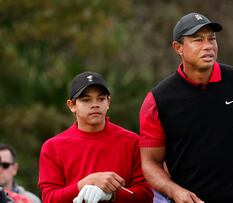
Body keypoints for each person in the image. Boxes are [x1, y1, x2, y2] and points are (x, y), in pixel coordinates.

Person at [139, 12, 233, 203]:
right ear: (178, 48)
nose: (207, 46)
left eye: (211, 39)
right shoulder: (158, 101)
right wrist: (175, 191)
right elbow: (150, 163)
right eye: (197, 40)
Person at [38, 71, 153, 203]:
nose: (95, 104)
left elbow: (146, 195)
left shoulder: (132, 141)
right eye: (86, 100)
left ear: (108, 102)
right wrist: (85, 183)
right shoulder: (53, 147)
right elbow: (49, 198)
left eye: (101, 98)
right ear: (72, 105)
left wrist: (112, 195)